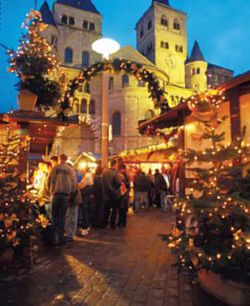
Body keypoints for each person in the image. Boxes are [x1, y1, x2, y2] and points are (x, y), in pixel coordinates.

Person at [47, 154, 77, 245]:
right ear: (66, 159)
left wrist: (51, 191)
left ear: (59, 159)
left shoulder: (54, 169)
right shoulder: (70, 170)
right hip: (65, 195)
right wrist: (70, 192)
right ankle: (61, 239)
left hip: (56, 195)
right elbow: (74, 183)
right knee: (62, 217)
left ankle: (53, 238)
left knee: (54, 216)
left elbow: (48, 181)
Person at [65, 160, 82, 242]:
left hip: (74, 198)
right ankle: (70, 233)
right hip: (74, 198)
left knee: (72, 216)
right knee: (71, 216)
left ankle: (70, 234)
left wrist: (69, 197)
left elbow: (73, 188)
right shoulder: (73, 174)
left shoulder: (72, 175)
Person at [102, 160, 121, 229]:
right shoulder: (115, 173)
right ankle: (112, 225)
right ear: (115, 164)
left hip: (106, 195)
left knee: (106, 210)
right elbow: (118, 183)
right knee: (114, 211)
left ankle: (104, 224)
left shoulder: (105, 173)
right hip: (114, 195)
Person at [78, 167, 94, 236]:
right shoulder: (88, 176)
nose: (80, 171)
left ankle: (85, 228)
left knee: (84, 212)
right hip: (87, 196)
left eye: (81, 169)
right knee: (86, 211)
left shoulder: (86, 176)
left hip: (85, 196)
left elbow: (81, 186)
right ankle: (86, 227)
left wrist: (75, 185)